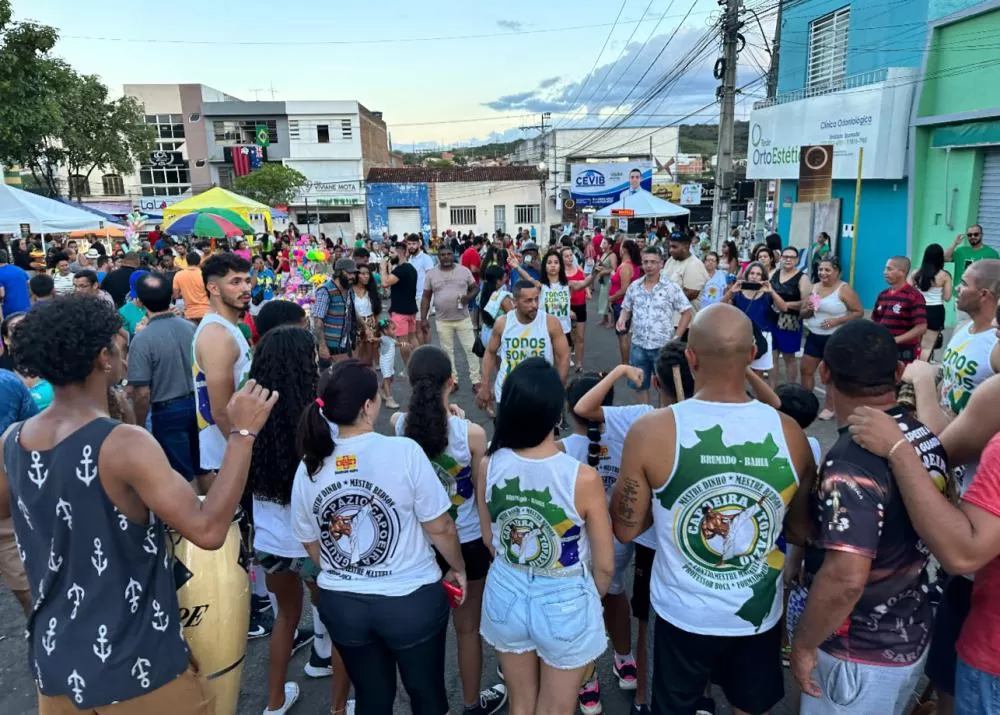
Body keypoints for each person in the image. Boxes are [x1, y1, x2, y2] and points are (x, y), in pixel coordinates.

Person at [0, 294, 277, 713]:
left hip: (56, 667)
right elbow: (207, 529)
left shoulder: (12, 440)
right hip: (137, 669)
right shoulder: (124, 443)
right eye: (122, 347)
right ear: (102, 359)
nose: (126, 357)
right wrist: (242, 435)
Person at [610, 303, 815, 715]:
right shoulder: (790, 434)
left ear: (690, 358)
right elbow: (798, 530)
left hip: (681, 615)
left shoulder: (653, 430)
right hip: (757, 615)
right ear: (754, 355)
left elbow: (626, 527)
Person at [291, 360, 465, 714]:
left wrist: (350, 570)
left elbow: (311, 543)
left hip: (343, 604)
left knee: (371, 697)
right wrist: (458, 567)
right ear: (368, 407)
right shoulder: (402, 452)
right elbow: (441, 526)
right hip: (410, 600)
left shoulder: (309, 465)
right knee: (426, 693)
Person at [791, 320, 946, 715]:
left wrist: (805, 643)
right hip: (907, 632)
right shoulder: (922, 436)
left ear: (824, 371)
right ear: (897, 373)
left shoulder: (852, 460)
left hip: (858, 651)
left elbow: (846, 577)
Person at [478, 358, 614, 715]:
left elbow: (488, 537)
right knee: (555, 708)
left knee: (520, 704)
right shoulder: (582, 478)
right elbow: (604, 565)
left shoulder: (489, 465)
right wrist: (585, 598)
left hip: (505, 588)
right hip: (566, 595)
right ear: (557, 413)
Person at [572, 344, 696, 715]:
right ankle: (641, 688)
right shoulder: (646, 416)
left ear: (656, 380)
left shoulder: (642, 417)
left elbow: (582, 409)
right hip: (662, 541)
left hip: (649, 540)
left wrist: (619, 370)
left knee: (648, 618)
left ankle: (639, 690)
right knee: (659, 619)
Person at [391, 346, 507, 715]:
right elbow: (483, 495)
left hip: (420, 544)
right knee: (468, 631)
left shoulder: (399, 427)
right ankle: (472, 705)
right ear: (451, 383)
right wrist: (490, 540)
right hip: (468, 542)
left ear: (411, 383)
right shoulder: (471, 434)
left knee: (425, 637)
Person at [248, 327, 351, 715]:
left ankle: (274, 703)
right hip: (317, 542)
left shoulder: (251, 414)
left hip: (271, 539)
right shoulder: (320, 416)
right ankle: (339, 707)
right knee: (338, 621)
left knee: (285, 618)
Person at [127, 273, 205, 486]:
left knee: (181, 475)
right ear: (171, 295)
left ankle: (193, 517)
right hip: (199, 405)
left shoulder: (142, 340)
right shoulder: (191, 328)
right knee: (204, 468)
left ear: (140, 302)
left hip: (168, 411)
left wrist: (140, 424)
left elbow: (141, 393)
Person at [476, 280, 570, 411]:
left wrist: (558, 387)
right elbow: (490, 353)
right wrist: (485, 386)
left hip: (541, 393)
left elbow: (563, 356)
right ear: (515, 302)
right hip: (507, 393)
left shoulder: (550, 322)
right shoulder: (503, 323)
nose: (535, 305)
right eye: (528, 301)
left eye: (536, 299)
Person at [617, 246, 693, 404]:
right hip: (638, 345)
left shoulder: (671, 287)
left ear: (661, 264)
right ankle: (645, 420)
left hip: (663, 346)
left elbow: (686, 312)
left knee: (664, 388)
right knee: (640, 386)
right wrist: (622, 319)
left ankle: (661, 419)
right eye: (645, 262)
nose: (649, 266)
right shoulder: (635, 287)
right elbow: (626, 307)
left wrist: (677, 336)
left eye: (653, 262)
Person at [509, 249, 597, 372]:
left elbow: (583, 283)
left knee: (563, 362)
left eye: (556, 262)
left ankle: (561, 388)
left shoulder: (568, 284)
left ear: (560, 265)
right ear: (545, 266)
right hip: (545, 330)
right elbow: (528, 278)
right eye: (549, 262)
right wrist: (516, 267)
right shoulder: (541, 286)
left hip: (564, 331)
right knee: (547, 364)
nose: (553, 265)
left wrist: (595, 273)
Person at [800, 257, 864, 420]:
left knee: (831, 375)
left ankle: (830, 407)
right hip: (814, 335)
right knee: (806, 370)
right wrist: (807, 309)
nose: (823, 273)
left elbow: (858, 312)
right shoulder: (814, 288)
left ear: (837, 272)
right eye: (821, 269)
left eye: (827, 270)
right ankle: (807, 402)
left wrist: (837, 321)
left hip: (835, 338)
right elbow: (804, 313)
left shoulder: (844, 289)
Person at [0, 367, 38, 616]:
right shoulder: (8, 380)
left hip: (11, 503)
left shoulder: (5, 384)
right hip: (16, 505)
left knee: (34, 597)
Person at [420, 244, 481, 390]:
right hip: (442, 320)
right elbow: (426, 297)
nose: (446, 257)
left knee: (471, 350)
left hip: (463, 318)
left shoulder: (464, 271)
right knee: (447, 352)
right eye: (442, 255)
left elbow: (475, 288)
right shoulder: (431, 274)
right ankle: (452, 381)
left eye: (448, 254)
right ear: (438, 257)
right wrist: (423, 318)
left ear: (452, 254)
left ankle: (476, 380)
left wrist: (468, 297)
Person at [724, 260, 790, 378]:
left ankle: (757, 396)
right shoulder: (738, 293)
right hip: (741, 336)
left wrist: (771, 291)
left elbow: (784, 308)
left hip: (761, 337)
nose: (754, 277)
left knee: (757, 374)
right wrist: (731, 292)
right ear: (747, 274)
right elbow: (720, 307)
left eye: (758, 274)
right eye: (752, 273)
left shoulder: (767, 295)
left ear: (763, 277)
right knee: (737, 372)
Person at [872, 256, 927, 364]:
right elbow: (875, 321)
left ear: (902, 272)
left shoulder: (914, 296)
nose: (885, 272)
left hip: (905, 352)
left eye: (889, 269)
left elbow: (921, 327)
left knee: (901, 379)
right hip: (882, 349)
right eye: (885, 269)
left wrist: (895, 340)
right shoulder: (882, 295)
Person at [770, 246, 811, 385]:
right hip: (771, 319)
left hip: (790, 321)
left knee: (789, 357)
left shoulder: (802, 278)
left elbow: (806, 303)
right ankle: (771, 390)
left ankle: (791, 388)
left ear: (797, 260)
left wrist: (786, 305)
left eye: (791, 257)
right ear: (780, 258)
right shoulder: (774, 273)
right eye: (785, 256)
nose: (788, 259)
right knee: (772, 356)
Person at [312, 258, 358, 367]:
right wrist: (323, 346)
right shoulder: (325, 290)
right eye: (349, 273)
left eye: (354, 273)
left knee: (343, 376)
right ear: (339, 272)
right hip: (329, 344)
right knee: (329, 378)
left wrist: (365, 327)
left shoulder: (349, 290)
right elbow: (318, 320)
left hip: (345, 342)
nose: (353, 276)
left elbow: (351, 311)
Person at [911, 243, 953, 360]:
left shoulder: (916, 273)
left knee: (915, 344)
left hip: (918, 310)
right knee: (927, 346)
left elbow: (908, 291)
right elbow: (947, 297)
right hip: (935, 311)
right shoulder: (945, 276)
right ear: (940, 258)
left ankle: (911, 369)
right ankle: (921, 371)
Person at [379, 242, 418, 365]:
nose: (389, 256)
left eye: (392, 253)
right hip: (410, 309)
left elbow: (385, 283)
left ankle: (408, 368)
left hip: (400, 311)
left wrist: (382, 268)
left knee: (403, 341)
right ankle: (418, 364)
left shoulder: (401, 270)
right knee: (413, 338)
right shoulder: (411, 268)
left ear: (400, 253)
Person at [562, 245, 594, 372]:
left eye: (571, 255)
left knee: (580, 337)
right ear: (562, 258)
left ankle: (579, 364)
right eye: (566, 256)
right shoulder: (560, 273)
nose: (569, 258)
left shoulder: (578, 268)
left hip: (580, 304)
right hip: (566, 306)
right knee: (566, 335)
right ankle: (565, 360)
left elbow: (584, 280)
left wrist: (587, 291)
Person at [664, 231, 709, 318]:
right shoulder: (672, 260)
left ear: (686, 246)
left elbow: (690, 294)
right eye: (670, 246)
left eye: (674, 247)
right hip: (669, 320)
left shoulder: (694, 264)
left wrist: (662, 297)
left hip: (686, 323)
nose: (671, 250)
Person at [946, 224, 999, 294]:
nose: (972, 237)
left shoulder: (991, 253)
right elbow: (945, 258)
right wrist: (955, 243)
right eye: (969, 235)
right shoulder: (961, 251)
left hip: (980, 296)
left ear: (981, 235)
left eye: (976, 234)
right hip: (960, 294)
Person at [407, 234, 436, 346]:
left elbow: (431, 278)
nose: (411, 246)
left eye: (414, 244)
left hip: (423, 296)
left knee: (420, 327)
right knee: (417, 327)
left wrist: (429, 298)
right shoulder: (410, 259)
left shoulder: (426, 258)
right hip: (413, 296)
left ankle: (425, 352)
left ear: (419, 244)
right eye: (409, 244)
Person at [351, 262, 381, 368]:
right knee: (356, 357)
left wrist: (378, 330)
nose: (366, 276)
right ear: (356, 275)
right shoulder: (350, 291)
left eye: (367, 273)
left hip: (370, 324)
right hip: (355, 324)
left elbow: (377, 312)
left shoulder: (371, 291)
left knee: (368, 359)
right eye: (362, 274)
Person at [477, 265, 513, 352]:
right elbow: (513, 317)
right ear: (498, 281)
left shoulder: (482, 293)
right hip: (499, 334)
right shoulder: (502, 297)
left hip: (485, 332)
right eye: (504, 277)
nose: (506, 279)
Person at [173, 251, 210, 324]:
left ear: (187, 261)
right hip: (206, 312)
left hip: (189, 314)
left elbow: (176, 296)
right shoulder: (205, 275)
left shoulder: (178, 275)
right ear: (199, 262)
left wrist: (185, 292)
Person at [596, 236, 619, 328]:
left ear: (609, 245)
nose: (602, 244)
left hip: (609, 279)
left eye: (604, 243)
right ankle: (604, 319)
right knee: (602, 299)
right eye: (602, 242)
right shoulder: (604, 253)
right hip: (603, 279)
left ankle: (611, 321)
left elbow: (614, 269)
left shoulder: (612, 255)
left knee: (608, 299)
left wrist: (603, 271)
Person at [0, 248, 30, 316]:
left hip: (9, 311)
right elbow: (29, 284)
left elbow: (1, 294)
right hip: (26, 308)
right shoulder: (19, 269)